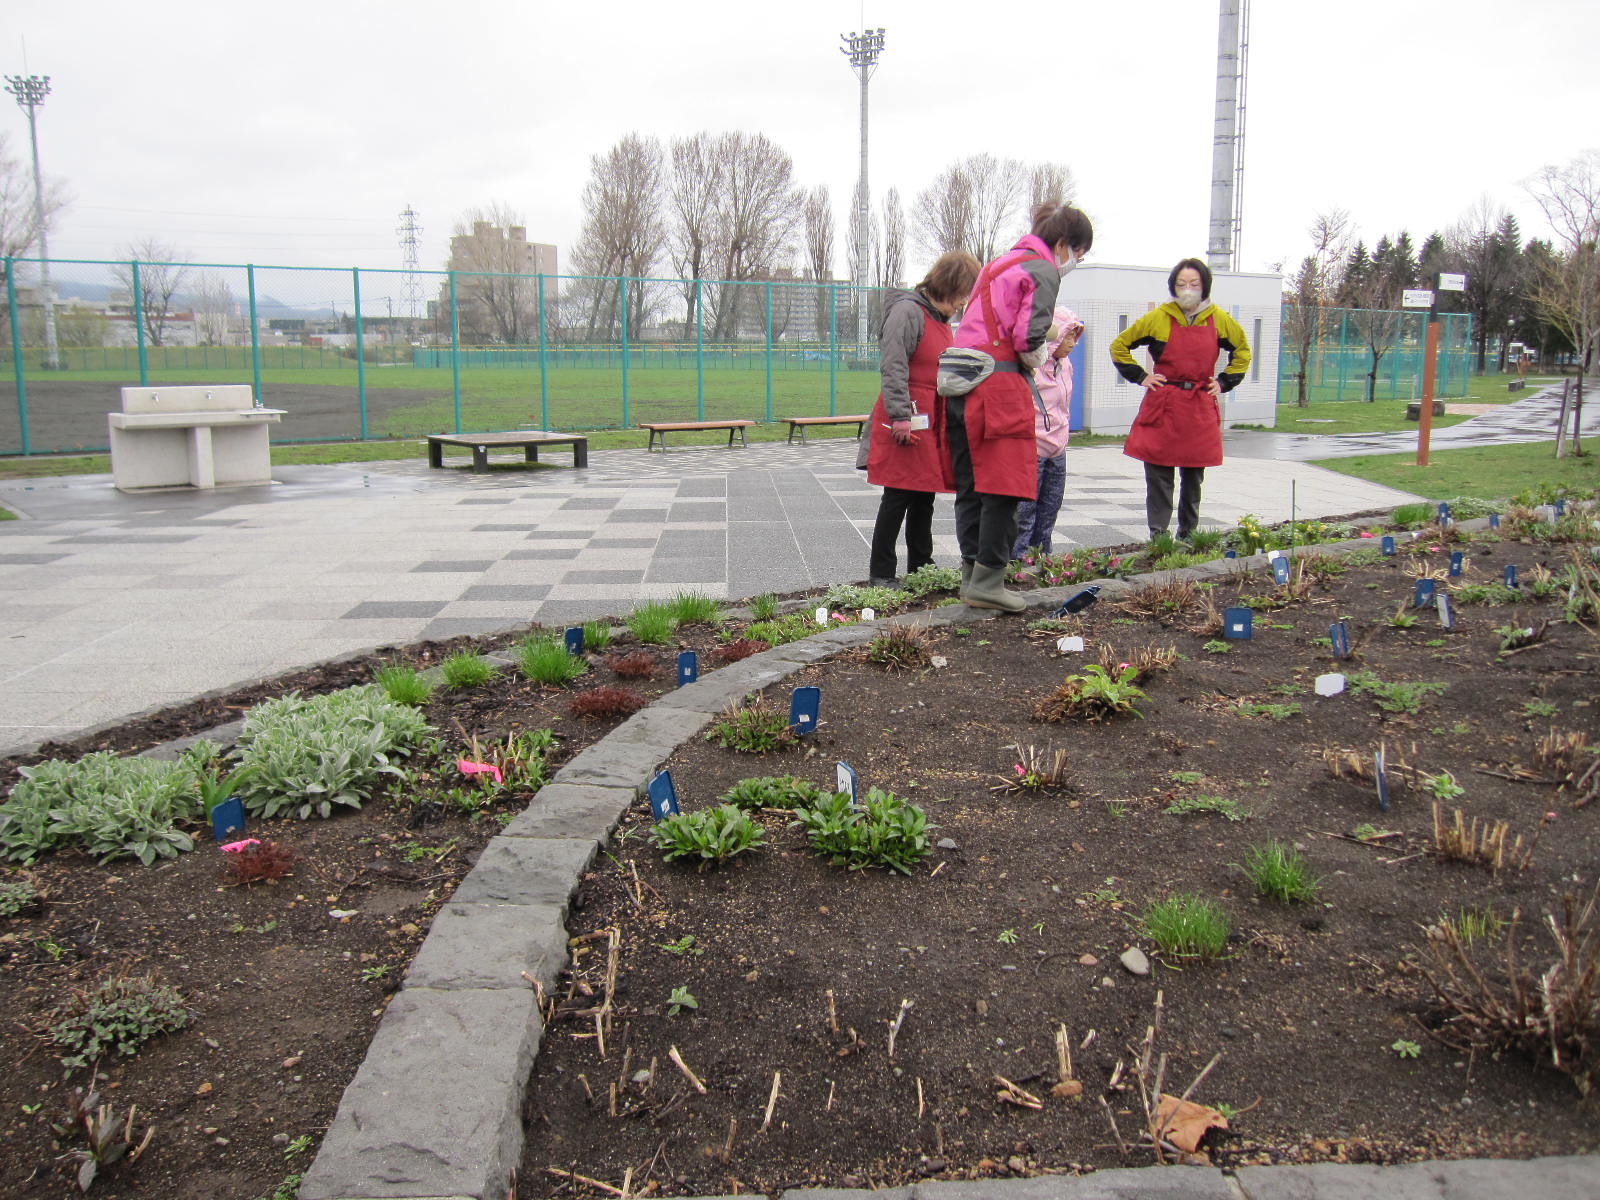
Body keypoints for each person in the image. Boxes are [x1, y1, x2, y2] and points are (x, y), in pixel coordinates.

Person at [945, 203, 1094, 611]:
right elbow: (1028, 340)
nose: (1074, 262)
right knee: (1004, 486)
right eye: (1078, 254)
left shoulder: (998, 264)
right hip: (998, 387)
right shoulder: (1041, 269)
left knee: (971, 486)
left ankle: (970, 576)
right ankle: (989, 581)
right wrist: (1043, 345)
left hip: (962, 382)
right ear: (1063, 244)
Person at [860, 251, 981, 586]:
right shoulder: (907, 312)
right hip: (907, 418)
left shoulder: (939, 319)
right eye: (961, 294)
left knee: (924, 495)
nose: (962, 303)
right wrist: (900, 415)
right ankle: (882, 572)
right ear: (949, 286)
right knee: (897, 495)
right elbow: (893, 365)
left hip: (931, 418)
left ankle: (920, 567)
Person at [1111, 257, 1252, 540]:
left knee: (1193, 477)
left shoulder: (1220, 320)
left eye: (1194, 284)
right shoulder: (1158, 318)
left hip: (1199, 405)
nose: (1187, 289)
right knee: (1159, 475)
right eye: (1181, 284)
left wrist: (1224, 382)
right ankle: (1159, 536)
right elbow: (1120, 346)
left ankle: (1188, 535)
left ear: (1205, 286)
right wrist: (1141, 376)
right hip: (1163, 406)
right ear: (1173, 286)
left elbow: (1242, 351)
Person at [1012, 306, 1084, 560]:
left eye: (1075, 336)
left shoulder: (1065, 365)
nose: (1072, 343)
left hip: (1057, 448)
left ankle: (1041, 557)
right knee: (1025, 511)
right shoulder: (1031, 366)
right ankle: (1018, 561)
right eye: (1067, 336)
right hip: (1032, 448)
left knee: (1050, 509)